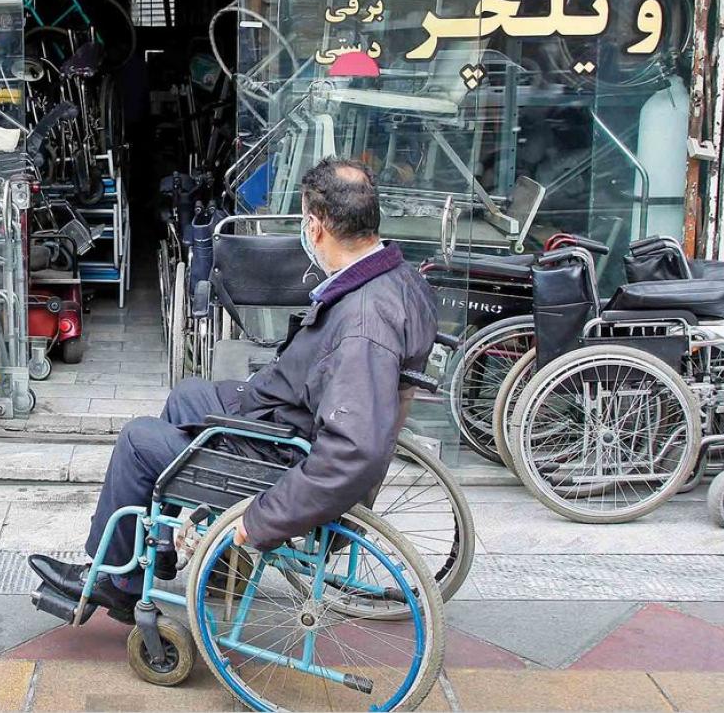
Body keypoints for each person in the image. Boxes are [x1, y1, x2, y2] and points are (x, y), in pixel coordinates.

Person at [28, 157, 439, 622]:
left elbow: (351, 450)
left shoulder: (365, 323)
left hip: (282, 450)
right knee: (187, 394)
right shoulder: (397, 277)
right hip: (285, 413)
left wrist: (263, 518)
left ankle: (116, 580)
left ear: (316, 226)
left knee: (138, 441)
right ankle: (157, 548)